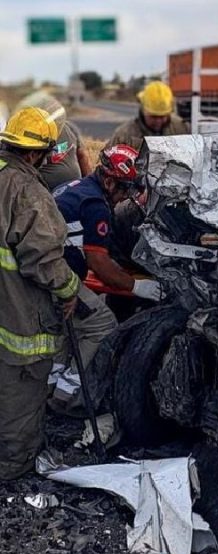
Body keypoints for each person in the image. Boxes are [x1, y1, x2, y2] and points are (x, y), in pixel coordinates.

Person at [49, 144, 162, 409]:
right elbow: (98, 263)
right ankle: (71, 396)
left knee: (72, 329)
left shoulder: (77, 187)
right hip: (57, 274)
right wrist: (137, 287)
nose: (128, 196)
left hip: (47, 269)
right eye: (125, 188)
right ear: (110, 181)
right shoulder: (96, 205)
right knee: (102, 324)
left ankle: (52, 388)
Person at [0, 107, 80, 479]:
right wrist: (70, 290)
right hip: (17, 315)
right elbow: (43, 259)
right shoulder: (27, 190)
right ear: (35, 153)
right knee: (21, 392)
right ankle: (13, 468)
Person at [14, 91, 92, 191]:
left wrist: (90, 186)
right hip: (45, 195)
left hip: (75, 191)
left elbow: (82, 156)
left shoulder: (69, 128)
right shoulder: (30, 137)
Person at [106, 81, 189, 152]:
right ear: (143, 110)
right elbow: (105, 163)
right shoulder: (124, 135)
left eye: (162, 116)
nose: (158, 121)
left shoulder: (182, 129)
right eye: (154, 117)